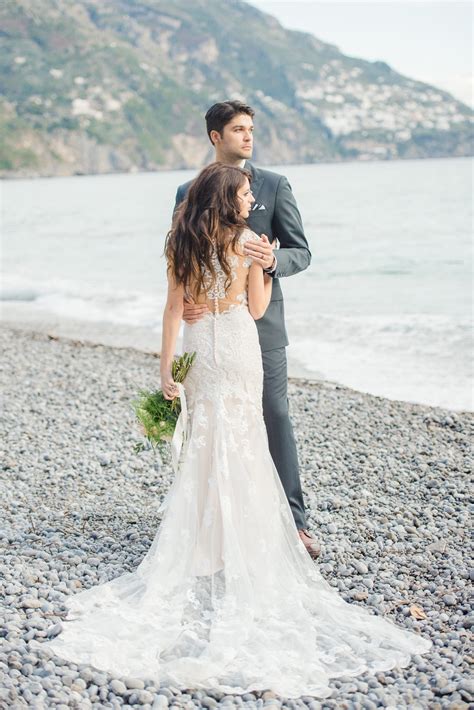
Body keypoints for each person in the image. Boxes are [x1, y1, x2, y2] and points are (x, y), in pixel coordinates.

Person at [33, 162, 431, 698]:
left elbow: (174, 308)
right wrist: (262, 267)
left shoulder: (181, 242)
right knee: (245, 443)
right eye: (244, 193)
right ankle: (246, 540)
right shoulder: (249, 244)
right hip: (241, 345)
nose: (250, 199)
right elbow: (259, 306)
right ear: (229, 199)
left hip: (200, 348)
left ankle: (205, 544)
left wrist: (165, 370)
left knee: (206, 443)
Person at [175, 100, 320, 559]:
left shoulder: (274, 185)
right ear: (215, 136)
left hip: (263, 321)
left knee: (273, 415)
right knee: (209, 417)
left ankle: (293, 524)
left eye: (251, 129)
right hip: (208, 327)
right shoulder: (187, 190)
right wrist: (186, 305)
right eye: (239, 129)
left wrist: (273, 260)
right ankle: (213, 522)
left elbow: (301, 250)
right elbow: (181, 256)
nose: (249, 136)